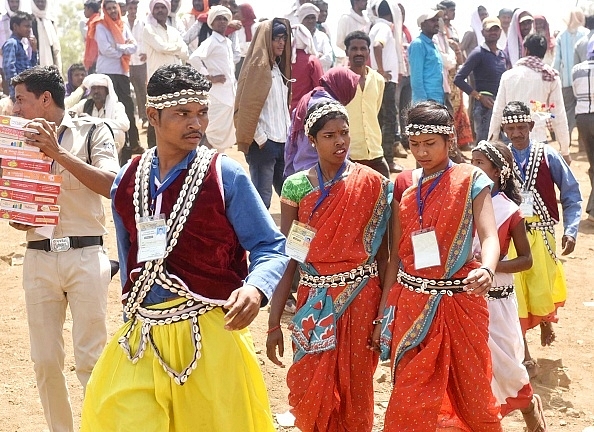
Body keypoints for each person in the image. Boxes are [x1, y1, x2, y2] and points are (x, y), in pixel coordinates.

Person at [80, 64, 289, 431]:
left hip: (209, 334)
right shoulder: (127, 181)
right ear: (153, 116)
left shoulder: (225, 175)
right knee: (118, 416)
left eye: (202, 112)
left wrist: (256, 289)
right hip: (141, 335)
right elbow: (130, 256)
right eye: (183, 114)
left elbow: (270, 246)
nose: (197, 124)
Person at [374, 100, 503, 431]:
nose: (422, 152)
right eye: (415, 144)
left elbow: (490, 237)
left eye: (430, 144)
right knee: (409, 396)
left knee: (472, 394)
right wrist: (385, 312)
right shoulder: (402, 183)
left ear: (450, 140)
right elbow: (397, 255)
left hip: (461, 302)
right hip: (412, 302)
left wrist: (487, 269)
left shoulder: (470, 178)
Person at [266, 99, 393, 432]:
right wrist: (274, 321)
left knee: (356, 387)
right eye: (329, 135)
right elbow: (290, 257)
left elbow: (385, 258)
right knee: (311, 384)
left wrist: (384, 316)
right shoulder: (295, 186)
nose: (339, 141)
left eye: (344, 133)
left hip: (362, 297)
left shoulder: (373, 183)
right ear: (312, 139)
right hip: (313, 300)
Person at [10, 65, 119, 432]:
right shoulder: (15, 141)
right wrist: (18, 213)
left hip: (86, 256)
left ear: (45, 99)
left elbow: (112, 185)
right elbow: (15, 205)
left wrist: (57, 153)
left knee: (91, 358)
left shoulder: (92, 130)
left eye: (20, 100)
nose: (14, 108)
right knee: (44, 361)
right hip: (38, 257)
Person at [468, 140, 546, 432]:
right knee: (476, 372)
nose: (474, 169)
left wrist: (490, 266)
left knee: (509, 372)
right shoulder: (463, 203)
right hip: (468, 299)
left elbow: (526, 260)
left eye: (481, 164)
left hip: (498, 300)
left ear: (498, 172)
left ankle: (530, 410)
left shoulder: (509, 210)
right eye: (471, 162)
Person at [500, 100, 581, 369]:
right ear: (504, 129)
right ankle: (524, 353)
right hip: (513, 234)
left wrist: (570, 230)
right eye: (511, 128)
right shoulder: (501, 159)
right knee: (516, 293)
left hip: (543, 234)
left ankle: (546, 321)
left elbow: (570, 193)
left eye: (522, 127)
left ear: (531, 126)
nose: (517, 133)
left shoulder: (548, 155)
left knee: (541, 287)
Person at [234, 18, 292, 209]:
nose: (281, 43)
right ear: (266, 40)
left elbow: (282, 107)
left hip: (282, 142)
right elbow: (246, 107)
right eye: (276, 38)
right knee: (262, 200)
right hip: (263, 145)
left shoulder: (277, 68)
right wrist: (261, 139)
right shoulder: (257, 69)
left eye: (284, 38)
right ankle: (256, 239)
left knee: (289, 197)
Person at [489, 34, 571, 163]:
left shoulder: (508, 75)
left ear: (526, 50)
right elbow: (558, 114)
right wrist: (565, 150)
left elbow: (498, 111)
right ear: (544, 53)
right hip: (538, 138)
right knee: (537, 179)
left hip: (511, 138)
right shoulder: (550, 76)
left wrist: (492, 141)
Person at [285, 66, 359, 177]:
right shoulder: (331, 108)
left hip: (300, 173)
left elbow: (291, 142)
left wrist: (290, 173)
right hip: (324, 176)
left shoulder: (307, 99)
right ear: (343, 86)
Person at [94, 0, 140, 156]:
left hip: (122, 72)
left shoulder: (123, 25)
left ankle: (132, 143)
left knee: (127, 107)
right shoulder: (101, 26)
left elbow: (134, 46)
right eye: (109, 8)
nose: (113, 10)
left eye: (115, 7)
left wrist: (118, 47)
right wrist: (124, 49)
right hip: (107, 72)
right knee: (108, 105)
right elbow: (105, 50)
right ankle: (109, 143)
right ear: (105, 11)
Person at [189, 5, 237, 152]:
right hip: (217, 95)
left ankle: (213, 165)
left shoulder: (227, 42)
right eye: (218, 19)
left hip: (229, 94)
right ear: (212, 22)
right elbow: (194, 58)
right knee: (212, 133)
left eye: (224, 19)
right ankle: (201, 164)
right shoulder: (211, 41)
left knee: (222, 134)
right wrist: (209, 77)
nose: (222, 22)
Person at [343, 30, 392, 177]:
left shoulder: (378, 80)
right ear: (347, 52)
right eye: (354, 49)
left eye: (363, 48)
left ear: (368, 52)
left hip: (375, 152)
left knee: (385, 196)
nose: (359, 53)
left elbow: (375, 111)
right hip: (350, 155)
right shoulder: (340, 80)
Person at [454, 17, 508, 143]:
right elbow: (459, 79)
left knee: (504, 145)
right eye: (489, 30)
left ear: (500, 32)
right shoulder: (478, 53)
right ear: (483, 32)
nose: (493, 32)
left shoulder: (502, 54)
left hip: (501, 103)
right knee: (485, 145)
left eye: (496, 29)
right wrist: (479, 97)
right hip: (485, 107)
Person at [143, 0, 189, 148]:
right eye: (157, 7)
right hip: (157, 80)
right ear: (152, 10)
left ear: (168, 10)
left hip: (175, 80)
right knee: (155, 114)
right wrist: (176, 47)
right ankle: (152, 151)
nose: (160, 10)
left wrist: (173, 49)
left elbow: (185, 53)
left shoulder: (173, 31)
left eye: (163, 7)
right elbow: (161, 47)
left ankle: (173, 147)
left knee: (175, 113)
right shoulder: (148, 29)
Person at [368, 0, 404, 174]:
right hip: (385, 81)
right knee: (389, 120)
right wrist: (382, 70)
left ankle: (382, 158)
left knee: (381, 119)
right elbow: (377, 46)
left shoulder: (375, 26)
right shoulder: (385, 28)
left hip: (380, 80)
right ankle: (388, 160)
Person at [70, 73, 130, 154]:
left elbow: (125, 124)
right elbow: (70, 113)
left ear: (107, 91)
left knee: (119, 133)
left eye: (99, 88)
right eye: (93, 88)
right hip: (88, 144)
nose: (96, 91)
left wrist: (94, 121)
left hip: (108, 146)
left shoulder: (116, 106)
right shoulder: (85, 104)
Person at [553, 8, 587, 145]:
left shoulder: (562, 35)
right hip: (584, 81)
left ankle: (565, 142)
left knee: (568, 112)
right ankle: (582, 143)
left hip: (567, 80)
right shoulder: (585, 35)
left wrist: (553, 75)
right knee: (584, 110)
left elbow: (557, 60)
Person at [572, 35, 594, 223]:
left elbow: (575, 93)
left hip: (583, 119)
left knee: (592, 163)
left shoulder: (577, 70)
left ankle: (592, 209)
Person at [409, 9, 444, 104]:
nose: (437, 23)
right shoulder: (418, 44)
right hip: (426, 102)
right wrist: (423, 103)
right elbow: (416, 78)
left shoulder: (434, 45)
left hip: (437, 99)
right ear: (423, 25)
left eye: (437, 20)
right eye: (433, 20)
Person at [2, 11, 37, 100]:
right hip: (19, 94)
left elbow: (32, 69)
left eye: (30, 26)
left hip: (26, 91)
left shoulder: (20, 44)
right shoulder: (11, 43)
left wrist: (34, 51)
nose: (29, 29)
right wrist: (17, 91)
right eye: (26, 26)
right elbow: (9, 68)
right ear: (15, 27)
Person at [289, 24, 323, 113]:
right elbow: (320, 88)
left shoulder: (283, 61)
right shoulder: (312, 61)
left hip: (285, 111)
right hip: (305, 110)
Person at [126, 0, 148, 129]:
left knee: (141, 90)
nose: (133, 10)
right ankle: (129, 119)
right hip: (126, 62)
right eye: (130, 8)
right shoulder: (122, 23)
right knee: (126, 92)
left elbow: (146, 39)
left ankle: (144, 117)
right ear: (127, 8)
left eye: (135, 8)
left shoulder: (142, 22)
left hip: (140, 61)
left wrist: (146, 53)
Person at [298, 3, 333, 72]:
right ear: (301, 20)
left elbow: (329, 59)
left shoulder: (322, 37)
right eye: (307, 18)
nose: (310, 21)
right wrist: (317, 55)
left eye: (313, 18)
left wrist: (310, 59)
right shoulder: (295, 37)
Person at [0, 0, 23, 95]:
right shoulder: (1, 20)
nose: (14, 5)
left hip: (22, 65)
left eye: (16, 2)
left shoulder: (24, 20)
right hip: (4, 65)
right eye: (11, 2)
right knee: (8, 95)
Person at [30, 0, 61, 71]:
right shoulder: (29, 21)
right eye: (37, 2)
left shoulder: (51, 22)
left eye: (43, 2)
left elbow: (56, 48)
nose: (40, 4)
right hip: (34, 63)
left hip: (51, 62)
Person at [83, 0, 102, 73]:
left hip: (94, 62)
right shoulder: (93, 22)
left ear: (90, 9)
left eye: (85, 9)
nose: (84, 12)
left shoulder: (95, 23)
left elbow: (94, 45)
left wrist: (90, 62)